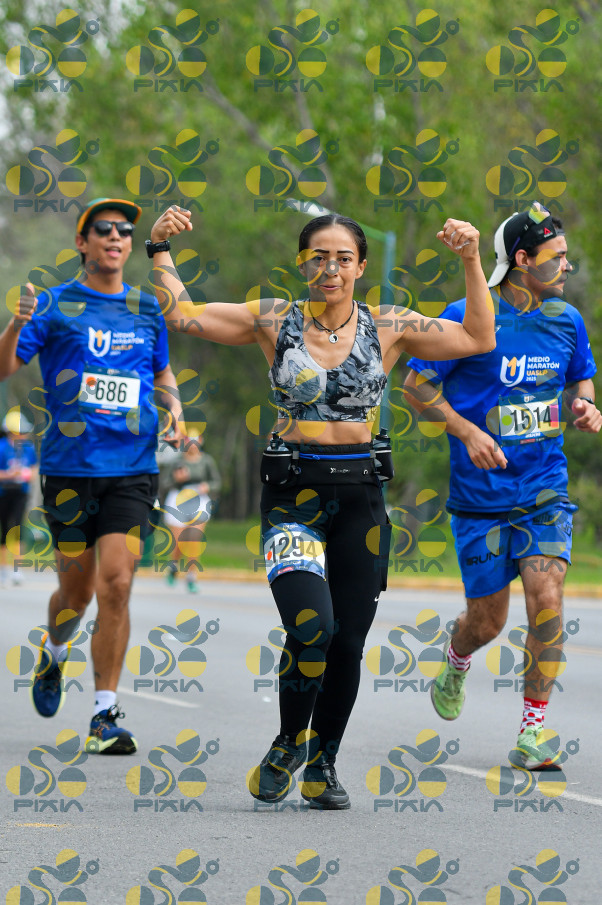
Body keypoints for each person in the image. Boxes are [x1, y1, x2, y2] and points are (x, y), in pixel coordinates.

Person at [146, 204, 494, 809]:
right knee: (313, 627)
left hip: (361, 497)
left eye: (343, 258)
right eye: (319, 257)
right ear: (302, 263)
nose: (330, 268)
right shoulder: (272, 319)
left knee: (348, 642)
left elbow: (478, 338)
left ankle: (323, 763)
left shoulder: (389, 325)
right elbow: (183, 314)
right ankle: (287, 743)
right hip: (293, 494)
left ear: (360, 267)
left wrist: (471, 258)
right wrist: (158, 248)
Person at [403, 202, 601, 768]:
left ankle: (532, 731)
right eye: (557, 256)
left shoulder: (567, 319)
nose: (567, 265)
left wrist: (585, 406)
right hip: (481, 498)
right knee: (487, 621)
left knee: (547, 601)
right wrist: (466, 431)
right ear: (522, 260)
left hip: (544, 490)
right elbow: (416, 386)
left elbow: (581, 378)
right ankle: (457, 656)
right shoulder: (467, 315)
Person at [0, 198, 184, 754]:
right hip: (70, 471)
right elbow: (4, 366)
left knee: (118, 584)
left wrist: (175, 408)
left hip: (132, 468)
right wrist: (16, 323)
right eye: (103, 229)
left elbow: (161, 370)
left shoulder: (146, 308)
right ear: (83, 243)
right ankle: (55, 653)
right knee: (75, 594)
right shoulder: (54, 306)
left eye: (124, 230)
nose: (116, 236)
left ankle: (105, 714)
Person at [162, 434, 221, 592]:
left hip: (199, 499)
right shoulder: (177, 461)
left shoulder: (206, 461)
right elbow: (164, 483)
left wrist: (208, 486)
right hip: (178, 499)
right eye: (189, 441)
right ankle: (173, 566)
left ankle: (191, 576)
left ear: (200, 441)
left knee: (194, 539)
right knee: (179, 541)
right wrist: (177, 480)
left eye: (195, 441)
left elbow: (216, 482)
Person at [0, 410, 38, 586]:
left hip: (20, 493)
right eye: (21, 431)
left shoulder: (28, 448)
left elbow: (33, 469)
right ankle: (3, 569)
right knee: (4, 530)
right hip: (3, 493)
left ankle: (17, 569)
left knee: (17, 529)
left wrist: (25, 474)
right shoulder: (2, 447)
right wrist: (9, 474)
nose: (24, 434)